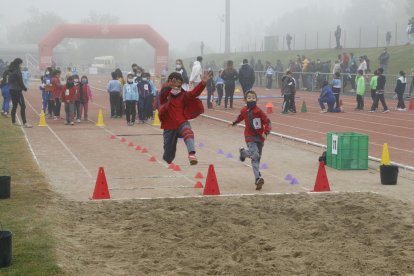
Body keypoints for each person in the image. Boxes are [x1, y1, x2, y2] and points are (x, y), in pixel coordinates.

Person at [158, 71, 213, 165]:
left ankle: (191, 154)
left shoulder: (184, 95)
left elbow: (194, 93)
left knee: (188, 131)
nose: (175, 84)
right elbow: (162, 94)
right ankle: (168, 156)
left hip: (181, 123)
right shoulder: (165, 95)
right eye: (172, 81)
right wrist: (168, 86)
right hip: (169, 127)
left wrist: (203, 83)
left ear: (181, 83)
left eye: (178, 81)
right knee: (168, 157)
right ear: (169, 82)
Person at [229, 90, 271, 190]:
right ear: (245, 100)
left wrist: (266, 132)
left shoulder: (259, 111)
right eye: (249, 98)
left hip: (260, 138)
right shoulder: (244, 110)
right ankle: (258, 179)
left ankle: (243, 153)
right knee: (255, 155)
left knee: (257, 158)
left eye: (253, 98)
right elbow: (240, 117)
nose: (251, 99)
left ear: (256, 99)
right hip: (249, 137)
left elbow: (267, 122)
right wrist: (234, 123)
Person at [8, 58, 32, 127]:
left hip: (12, 89)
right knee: (23, 106)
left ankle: (13, 122)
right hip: (17, 91)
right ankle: (25, 123)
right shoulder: (17, 71)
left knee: (15, 106)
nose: (21, 65)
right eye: (21, 64)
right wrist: (24, 88)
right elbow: (20, 81)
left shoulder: (11, 70)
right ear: (19, 64)